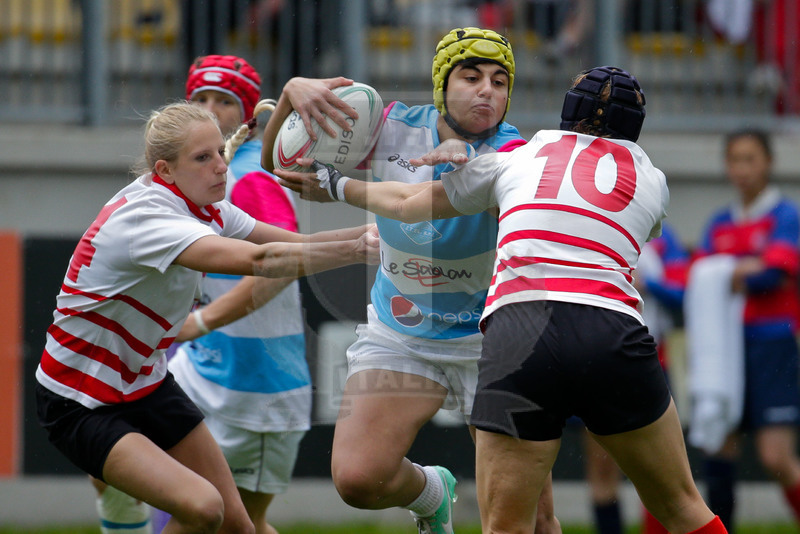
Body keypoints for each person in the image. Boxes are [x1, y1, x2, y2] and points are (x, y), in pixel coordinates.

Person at [304, 65, 728, 534]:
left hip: (522, 336)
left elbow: (407, 201)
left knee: (509, 526)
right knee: (682, 507)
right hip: (610, 332)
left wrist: (335, 185)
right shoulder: (652, 178)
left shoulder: (520, 156)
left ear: (567, 111)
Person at [262, 27, 560, 534]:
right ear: (442, 85)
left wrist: (457, 155)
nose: (486, 91)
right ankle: (432, 493)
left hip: (489, 341)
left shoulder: (516, 154)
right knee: (359, 479)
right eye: (471, 77)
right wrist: (291, 93)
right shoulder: (390, 124)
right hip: (402, 332)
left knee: (535, 521)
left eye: (499, 81)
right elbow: (278, 163)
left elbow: (423, 196)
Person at [34, 101, 379, 534]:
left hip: (145, 384)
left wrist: (381, 233)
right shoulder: (148, 218)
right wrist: (355, 251)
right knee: (203, 507)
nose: (221, 166)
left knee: (238, 525)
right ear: (164, 170)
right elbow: (262, 260)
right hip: (80, 401)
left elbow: (294, 243)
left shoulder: (203, 204)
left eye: (219, 151)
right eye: (203, 157)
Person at [157, 54, 308, 534]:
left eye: (223, 101)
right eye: (199, 99)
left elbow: (285, 263)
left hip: (255, 387)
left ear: (247, 115)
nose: (209, 110)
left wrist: (201, 321)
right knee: (110, 457)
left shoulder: (249, 176)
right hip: (198, 367)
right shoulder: (190, 177)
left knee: (236, 525)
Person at [685, 128, 800, 532]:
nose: (742, 169)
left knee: (775, 456)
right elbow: (698, 275)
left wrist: (731, 270)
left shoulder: (785, 215)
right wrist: (745, 266)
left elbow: (775, 273)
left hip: (772, 344)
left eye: (750, 159)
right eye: (735, 160)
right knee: (719, 447)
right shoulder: (720, 222)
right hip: (724, 348)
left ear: (768, 162)